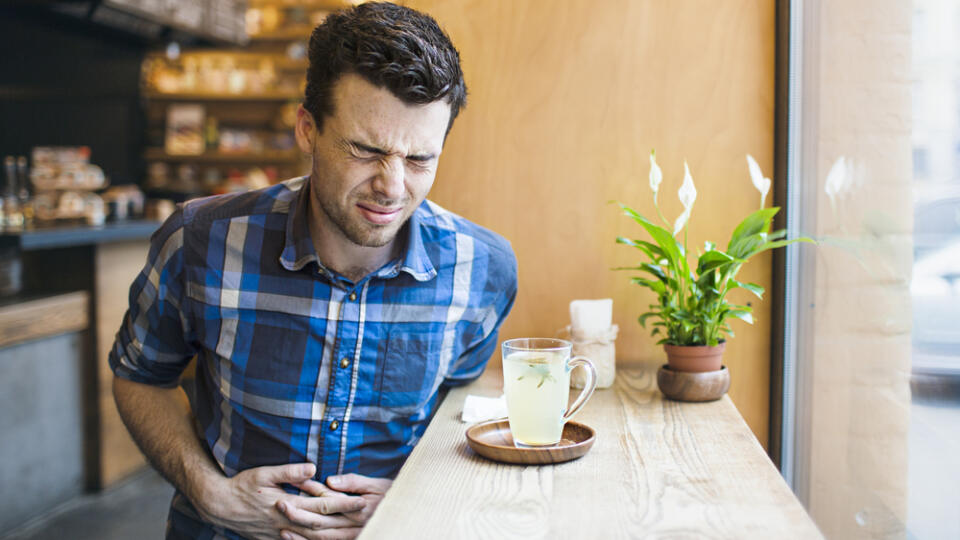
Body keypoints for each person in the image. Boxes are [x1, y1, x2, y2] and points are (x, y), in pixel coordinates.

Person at [109, 3, 518, 539]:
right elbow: (140, 379)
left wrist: (415, 497)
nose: (393, 187)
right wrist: (209, 492)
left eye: (420, 159)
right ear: (308, 130)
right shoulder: (201, 239)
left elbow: (455, 417)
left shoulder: (483, 270)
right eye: (366, 149)